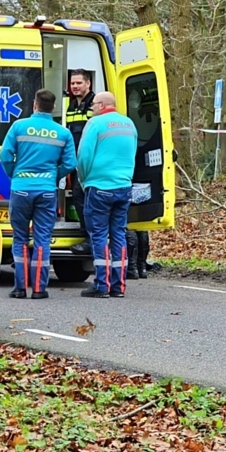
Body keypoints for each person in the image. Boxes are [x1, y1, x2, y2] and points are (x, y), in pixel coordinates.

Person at [0, 89, 76, 299]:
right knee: (43, 239)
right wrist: (52, 177)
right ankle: (39, 289)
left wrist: (14, 175)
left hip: (21, 188)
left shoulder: (19, 126)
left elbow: (5, 155)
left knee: (20, 238)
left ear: (34, 104)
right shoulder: (63, 133)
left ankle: (20, 288)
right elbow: (70, 163)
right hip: (46, 190)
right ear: (52, 107)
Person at [77, 91, 137, 298]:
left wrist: (83, 180)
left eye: (93, 104)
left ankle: (101, 285)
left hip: (99, 186)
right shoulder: (129, 124)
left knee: (99, 235)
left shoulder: (95, 124)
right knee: (119, 234)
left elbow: (84, 156)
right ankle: (119, 286)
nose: (91, 107)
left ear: (102, 105)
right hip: (123, 186)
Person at [65, 69, 94, 255]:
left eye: (79, 83)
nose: (75, 86)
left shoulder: (94, 104)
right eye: (73, 83)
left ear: (88, 83)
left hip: (87, 160)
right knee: (78, 197)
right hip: (74, 159)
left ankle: (90, 238)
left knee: (81, 196)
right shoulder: (71, 105)